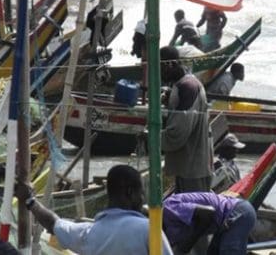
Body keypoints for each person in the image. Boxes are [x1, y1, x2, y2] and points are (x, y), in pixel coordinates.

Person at [16, 164, 173, 255]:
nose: (143, 200)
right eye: (141, 194)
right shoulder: (148, 228)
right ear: (130, 192)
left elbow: (53, 224)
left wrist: (30, 201)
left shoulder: (88, 233)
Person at [160, 46, 213, 193]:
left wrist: (152, 138)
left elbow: (177, 133)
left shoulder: (187, 88)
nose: (158, 74)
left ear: (169, 64)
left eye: (159, 68)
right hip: (189, 165)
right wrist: (171, 98)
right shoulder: (187, 82)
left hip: (192, 169)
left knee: (194, 211)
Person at [162, 192, 256, 255]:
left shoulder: (169, 207)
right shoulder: (166, 236)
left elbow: (208, 213)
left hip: (236, 211)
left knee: (228, 251)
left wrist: (188, 244)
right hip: (222, 224)